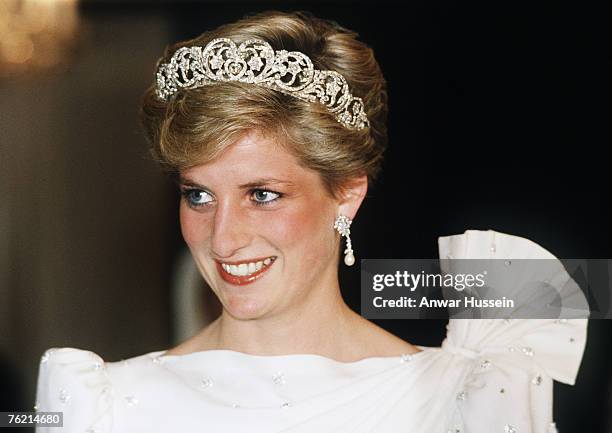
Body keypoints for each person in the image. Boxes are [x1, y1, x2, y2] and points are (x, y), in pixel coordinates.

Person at [34, 10, 588, 433]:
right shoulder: (101, 404)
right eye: (199, 196)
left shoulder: (462, 395)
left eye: (263, 194)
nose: (223, 238)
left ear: (345, 197)